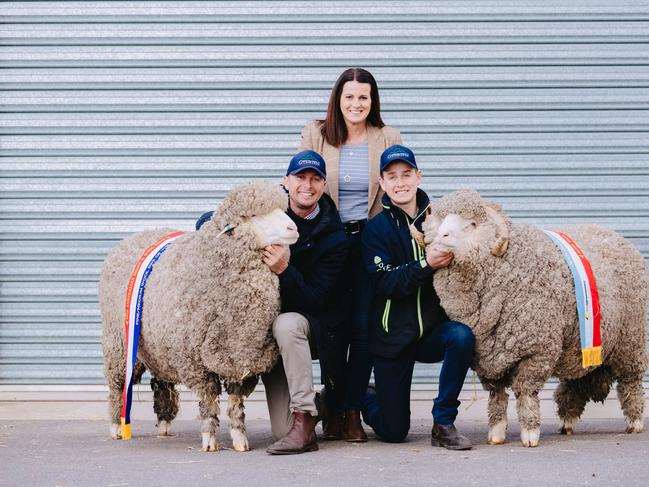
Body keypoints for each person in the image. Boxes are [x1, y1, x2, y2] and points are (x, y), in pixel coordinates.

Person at [196, 150, 350, 455]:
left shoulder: (334, 238)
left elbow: (315, 300)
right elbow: (223, 219)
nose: (307, 185)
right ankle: (326, 403)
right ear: (286, 181)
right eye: (300, 177)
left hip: (307, 327)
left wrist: (284, 270)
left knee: (287, 321)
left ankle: (305, 417)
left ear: (323, 186)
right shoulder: (270, 209)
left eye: (315, 179)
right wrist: (209, 227)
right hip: (265, 334)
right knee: (281, 429)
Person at [298, 67, 402, 441]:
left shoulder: (387, 136)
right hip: (328, 242)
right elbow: (303, 184)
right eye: (349, 97)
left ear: (372, 101)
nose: (356, 104)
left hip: (369, 242)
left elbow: (397, 186)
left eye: (363, 97)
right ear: (337, 100)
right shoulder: (316, 133)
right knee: (331, 330)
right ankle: (333, 406)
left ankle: (352, 409)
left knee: (363, 330)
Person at [360, 144, 475, 449]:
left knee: (461, 336)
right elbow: (385, 282)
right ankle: (366, 398)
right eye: (392, 176)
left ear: (418, 176)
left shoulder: (441, 221)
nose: (400, 182)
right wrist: (426, 263)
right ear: (382, 183)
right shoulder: (375, 230)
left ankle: (444, 421)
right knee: (394, 431)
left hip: (430, 333)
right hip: (392, 337)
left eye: (406, 174)